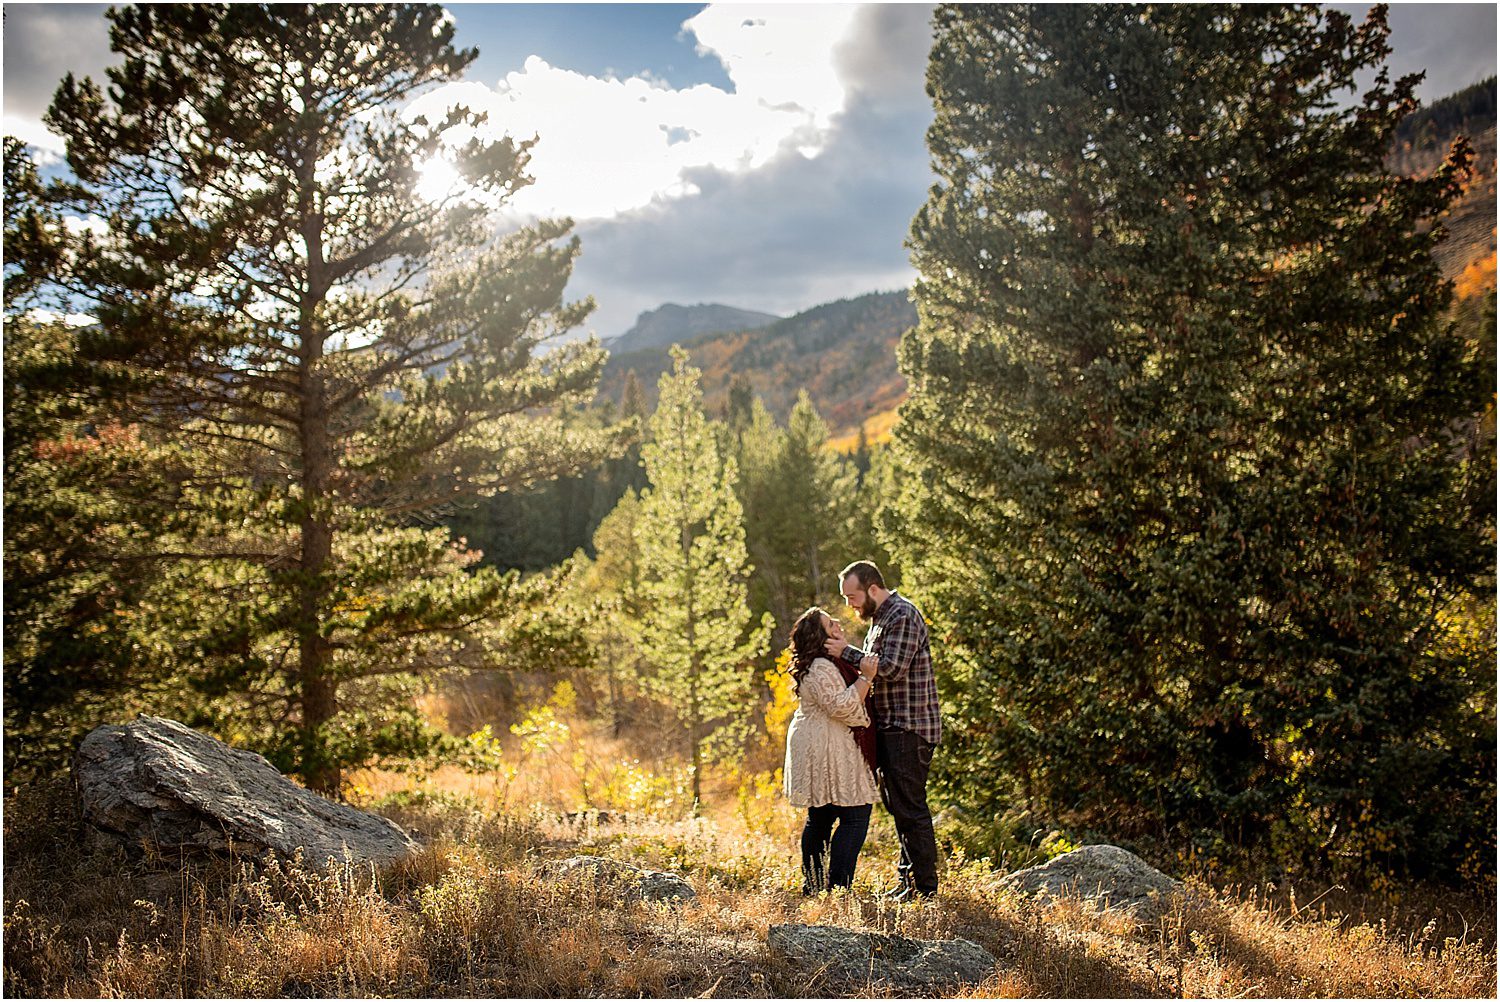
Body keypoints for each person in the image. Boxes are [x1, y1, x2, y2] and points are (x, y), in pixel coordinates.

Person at [825, 560, 941, 900]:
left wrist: (845, 652)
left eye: (852, 596)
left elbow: (889, 669)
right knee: (900, 808)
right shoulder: (880, 620)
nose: (850, 605)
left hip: (909, 727)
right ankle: (909, 881)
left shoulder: (901, 615)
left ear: (873, 588)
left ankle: (925, 889)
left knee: (910, 809)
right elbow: (872, 667)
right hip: (894, 727)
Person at [782, 606, 879, 894]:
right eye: (830, 624)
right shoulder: (822, 667)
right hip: (827, 746)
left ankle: (814, 887)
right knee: (855, 815)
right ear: (820, 637)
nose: (838, 623)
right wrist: (866, 677)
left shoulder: (823, 664)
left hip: (822, 743)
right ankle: (836, 888)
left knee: (822, 816)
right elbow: (844, 707)